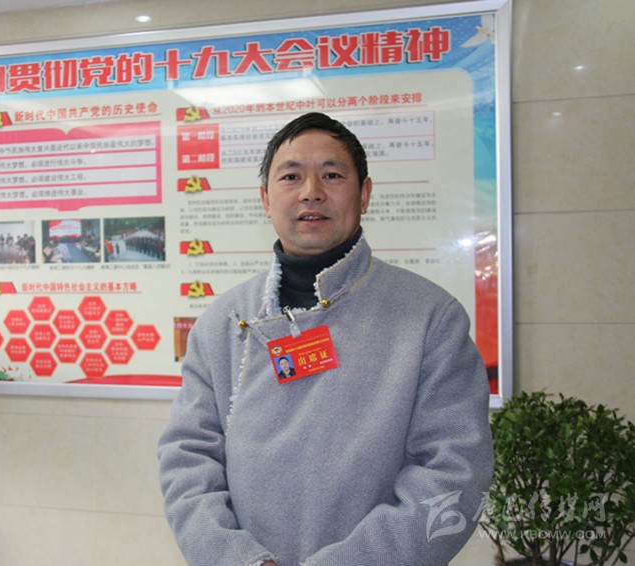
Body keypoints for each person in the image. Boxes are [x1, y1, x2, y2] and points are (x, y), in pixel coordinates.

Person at [157, 112, 493, 566]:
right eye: (291, 176)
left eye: (332, 175)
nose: (311, 191)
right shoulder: (224, 321)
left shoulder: (430, 318)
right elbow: (187, 460)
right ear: (266, 199)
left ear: (364, 194)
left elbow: (453, 472)